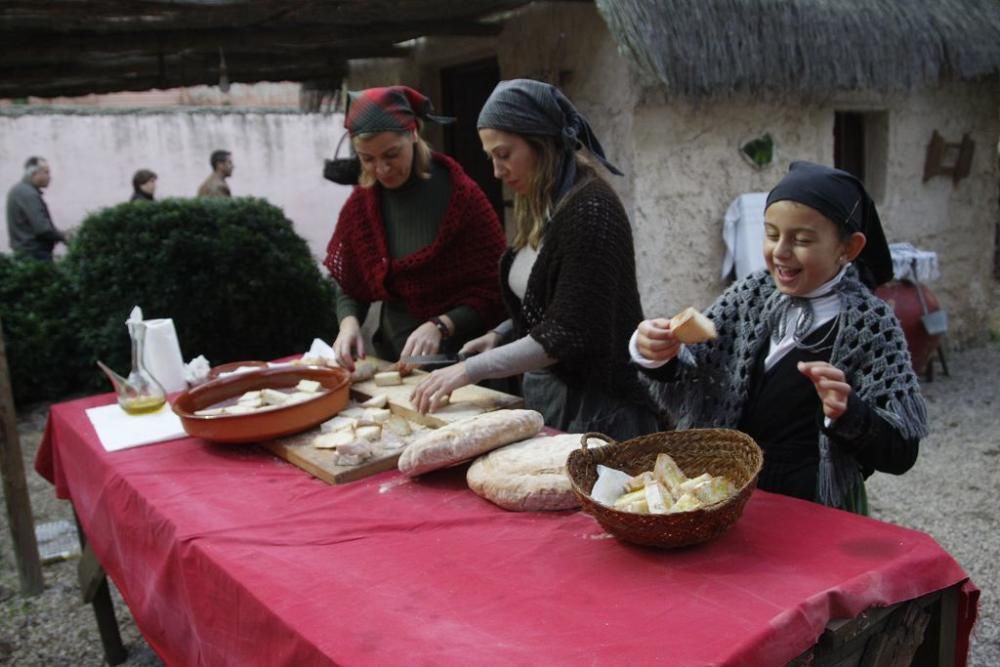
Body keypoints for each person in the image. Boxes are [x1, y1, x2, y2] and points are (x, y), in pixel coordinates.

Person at [631, 161, 926, 514]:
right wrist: (657, 352)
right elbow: (696, 370)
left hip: (814, 506)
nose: (781, 252)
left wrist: (849, 414)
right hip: (730, 491)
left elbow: (902, 451)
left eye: (802, 240)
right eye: (771, 234)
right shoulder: (749, 296)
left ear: (848, 249)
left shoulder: (871, 325)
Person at [411, 79, 658, 440]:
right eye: (491, 157)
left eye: (504, 154)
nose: (496, 171)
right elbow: (554, 302)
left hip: (601, 410)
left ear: (540, 142)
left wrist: (469, 371)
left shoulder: (590, 209)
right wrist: (501, 333)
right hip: (556, 399)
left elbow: (567, 332)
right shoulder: (542, 204)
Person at [324, 85, 507, 371]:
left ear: (413, 133)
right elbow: (350, 284)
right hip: (393, 358)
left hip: (464, 362)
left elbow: (494, 290)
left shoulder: (461, 197)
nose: (381, 169)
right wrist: (348, 324)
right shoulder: (362, 205)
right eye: (367, 159)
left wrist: (442, 325)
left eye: (391, 154)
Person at [6, 156, 67, 261]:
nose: (49, 177)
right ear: (34, 173)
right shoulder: (29, 194)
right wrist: (63, 236)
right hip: (35, 255)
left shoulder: (18, 190)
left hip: (25, 254)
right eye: (46, 172)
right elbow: (42, 229)